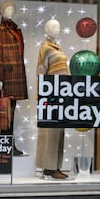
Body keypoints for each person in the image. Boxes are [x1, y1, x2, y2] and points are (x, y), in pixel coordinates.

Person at [0, 1, 28, 155]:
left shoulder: (15, 29)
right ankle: (6, 145)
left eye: (12, 9)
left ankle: (9, 144)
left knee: (11, 112)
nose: (11, 11)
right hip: (7, 77)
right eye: (7, 9)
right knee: (6, 113)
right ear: (1, 12)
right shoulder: (0, 31)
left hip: (15, 76)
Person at [36, 19, 68, 179]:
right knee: (50, 132)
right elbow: (41, 70)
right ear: (47, 29)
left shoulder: (58, 48)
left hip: (62, 93)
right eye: (53, 27)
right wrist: (42, 95)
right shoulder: (45, 48)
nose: (57, 29)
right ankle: (48, 166)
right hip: (51, 94)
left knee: (59, 131)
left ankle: (55, 165)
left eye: (58, 26)